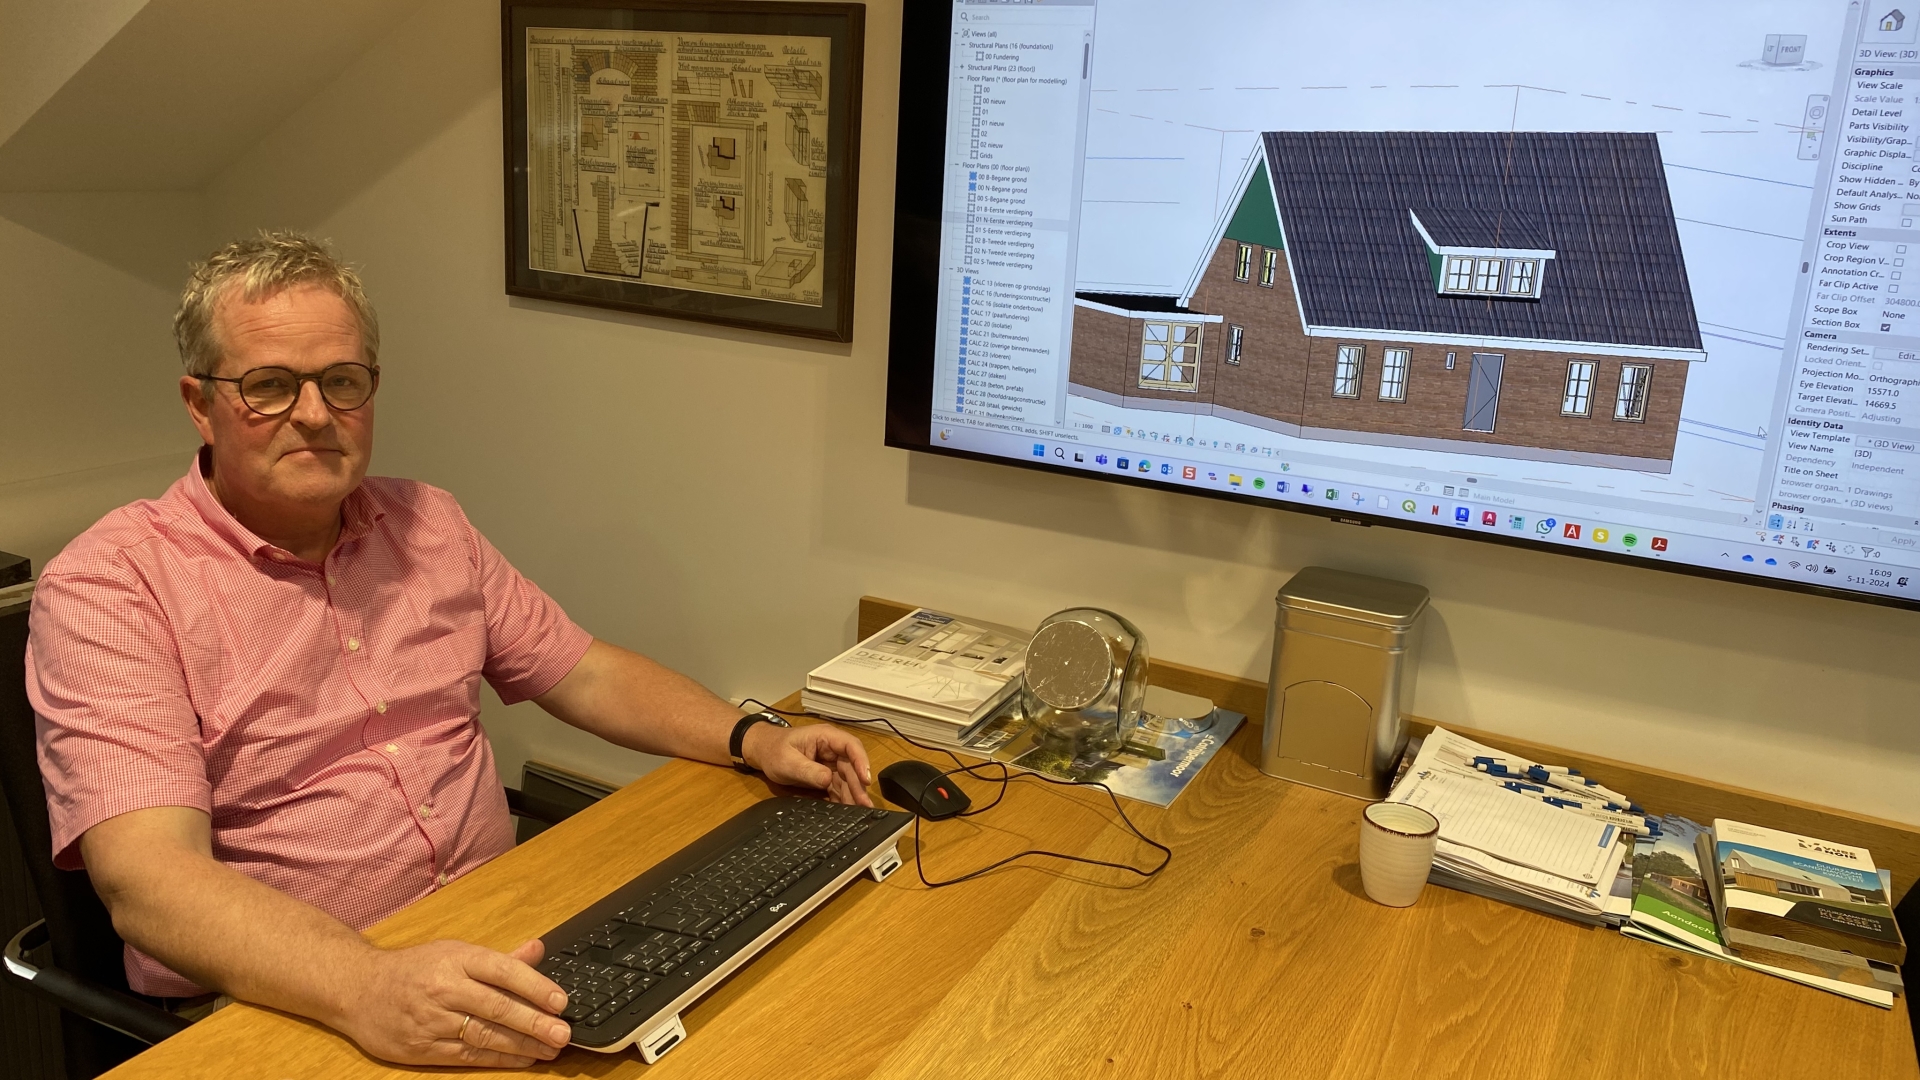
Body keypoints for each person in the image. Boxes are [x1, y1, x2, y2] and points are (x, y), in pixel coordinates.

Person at [25, 231, 873, 1068]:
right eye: (271, 387)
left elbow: (584, 670)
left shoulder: (427, 521)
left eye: (343, 382)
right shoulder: (111, 588)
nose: (316, 415)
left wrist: (756, 737)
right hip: (296, 997)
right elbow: (150, 884)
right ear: (199, 402)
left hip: (499, 931)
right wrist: (366, 985)